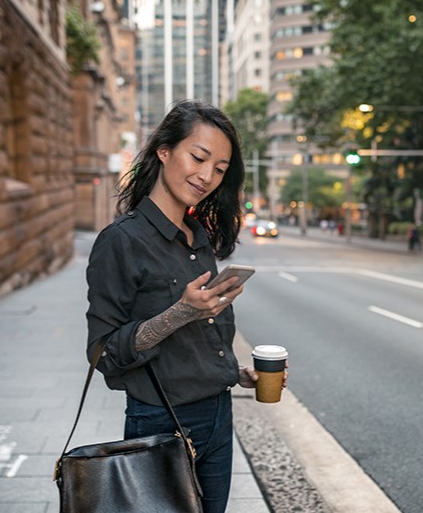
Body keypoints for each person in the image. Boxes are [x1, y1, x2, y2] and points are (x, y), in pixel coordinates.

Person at [85, 100, 283, 513]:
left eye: (220, 169)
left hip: (218, 414)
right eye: (199, 157)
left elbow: (199, 339)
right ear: (164, 151)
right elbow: (103, 352)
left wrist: (238, 373)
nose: (207, 176)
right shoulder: (121, 240)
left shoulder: (197, 238)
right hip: (161, 422)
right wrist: (180, 312)